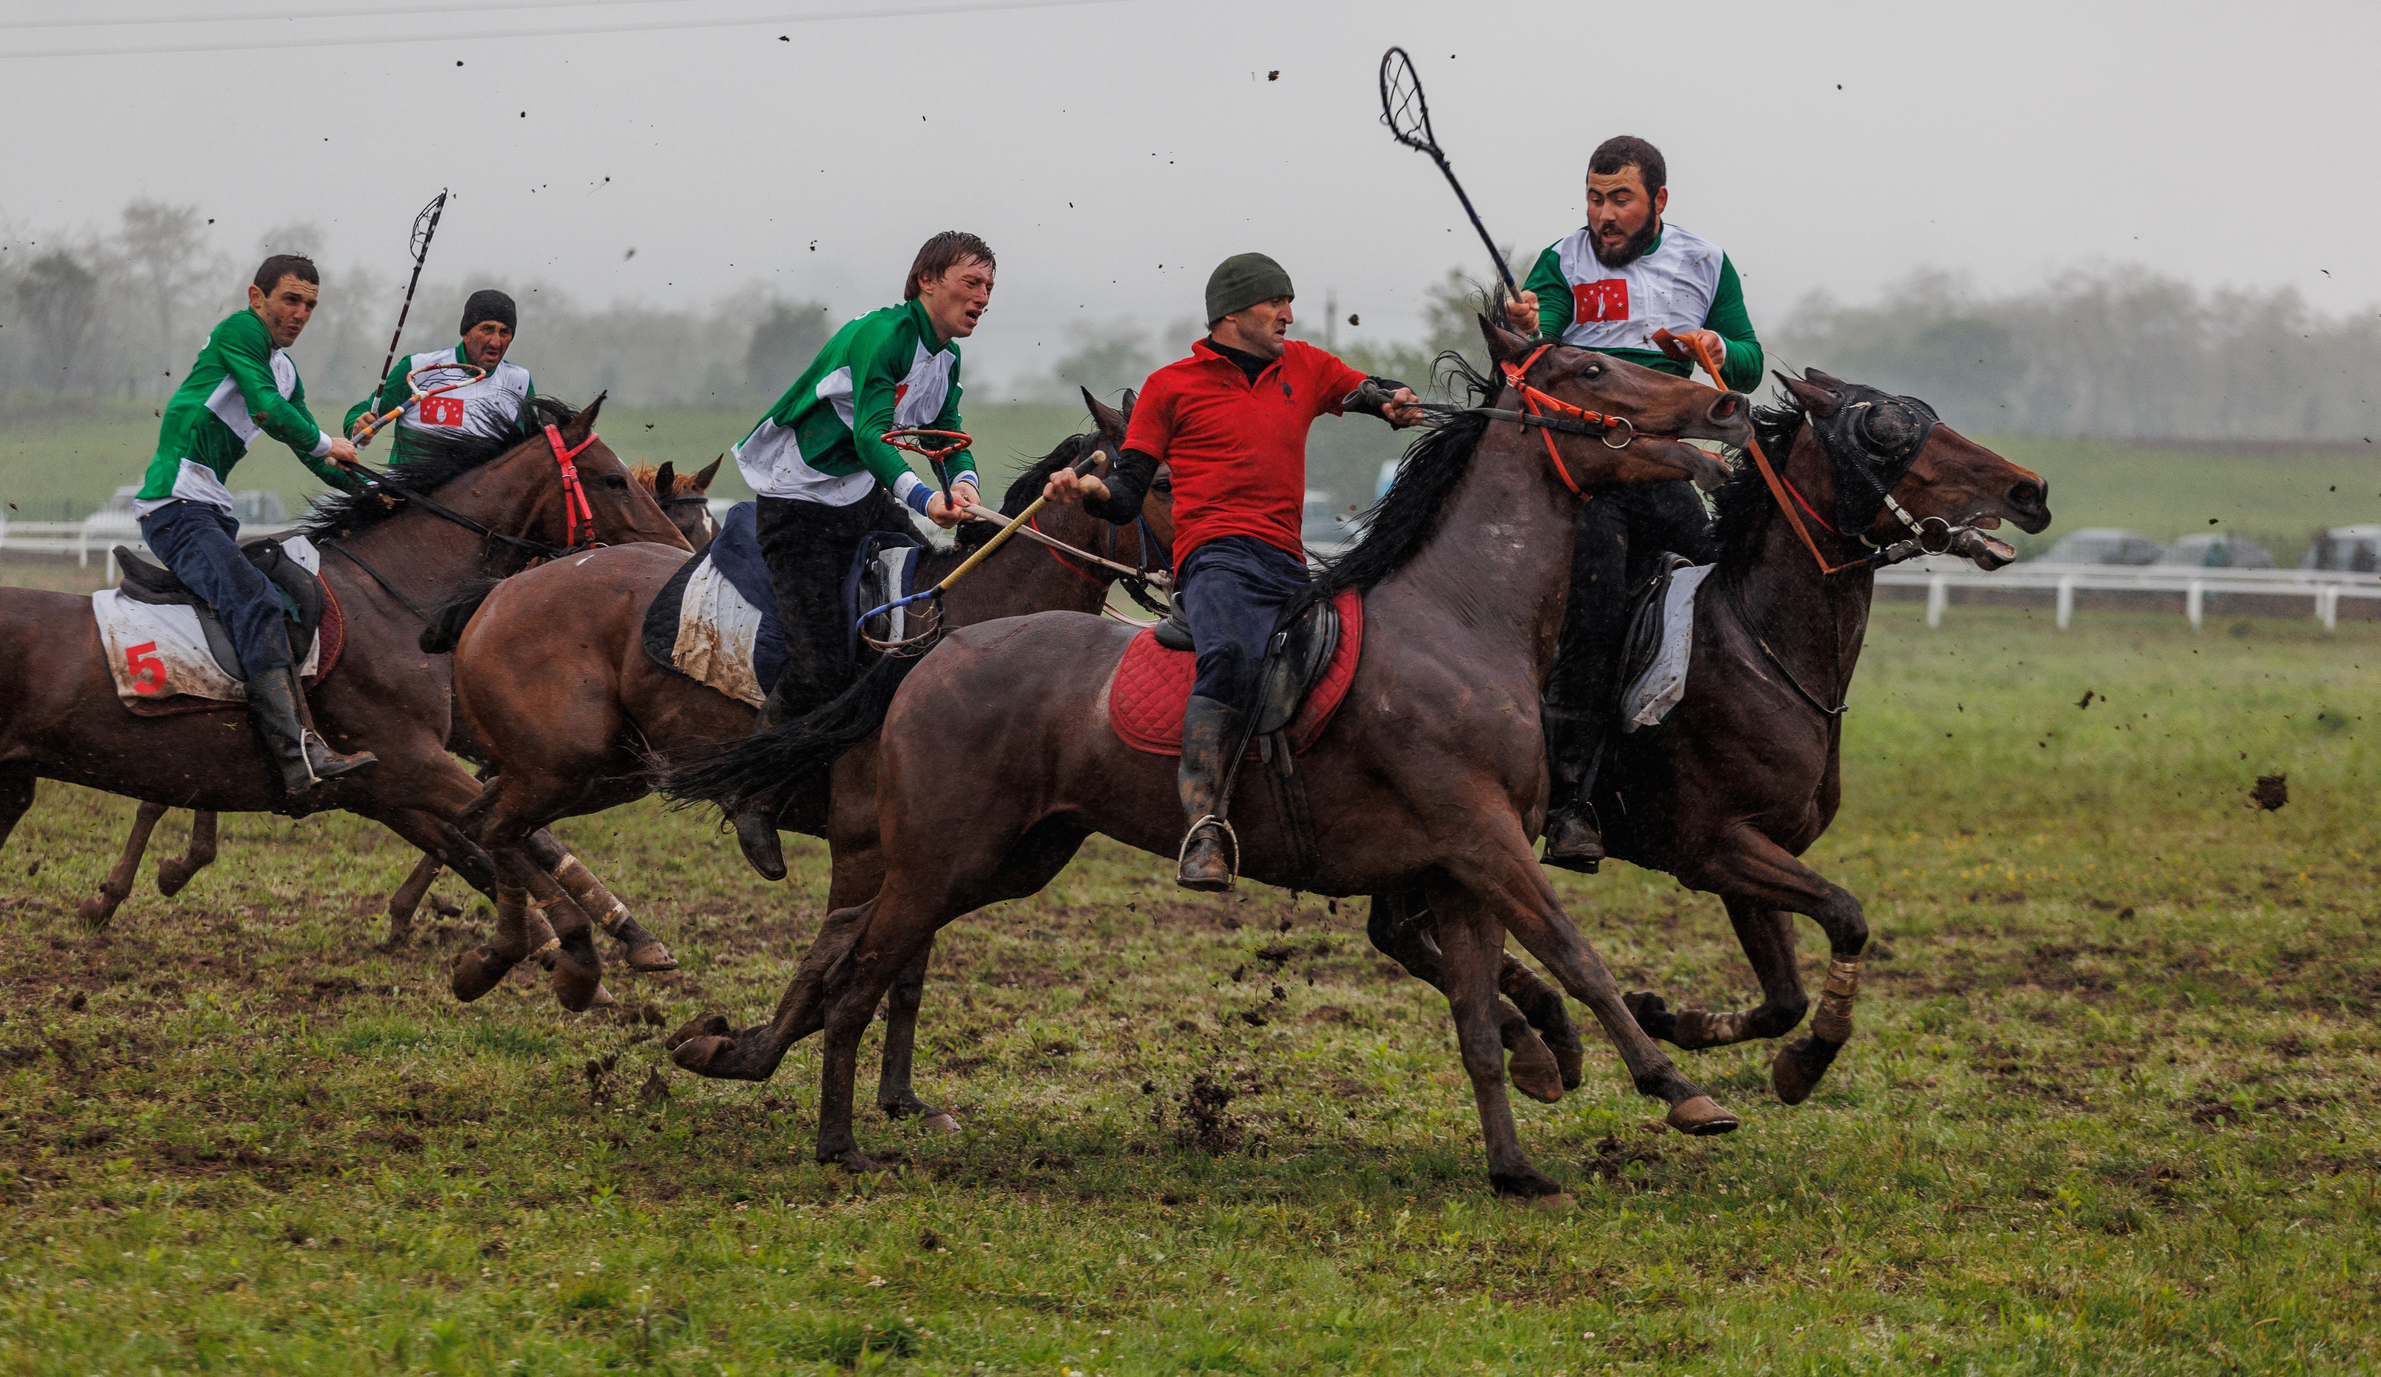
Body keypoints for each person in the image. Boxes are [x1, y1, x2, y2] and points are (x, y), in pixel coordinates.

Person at [1047, 253, 1420, 892]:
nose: (1289, 315)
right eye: (1276, 304)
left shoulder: (1304, 365)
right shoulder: (1169, 386)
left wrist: (1390, 400)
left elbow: (1360, 387)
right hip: (1213, 558)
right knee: (1231, 656)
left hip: (1286, 560)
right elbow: (1132, 491)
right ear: (1232, 314)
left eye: (1290, 304)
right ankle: (1204, 826)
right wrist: (1089, 490)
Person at [1503, 134, 1763, 870]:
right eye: (1594, 197)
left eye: (1619, 199)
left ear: (1659, 200)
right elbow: (1538, 333)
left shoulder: (1705, 261)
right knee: (1595, 617)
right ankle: (1573, 805)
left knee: (1725, 600)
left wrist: (1710, 341)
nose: (1603, 215)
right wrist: (1529, 323)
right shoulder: (1563, 259)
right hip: (1592, 480)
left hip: (1669, 471)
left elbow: (1748, 357)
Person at [724, 231, 993, 878]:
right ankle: (751, 793)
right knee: (818, 666)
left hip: (860, 499)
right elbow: (873, 435)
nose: (982, 297)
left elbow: (948, 437)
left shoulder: (947, 359)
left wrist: (964, 483)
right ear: (926, 281)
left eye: (989, 287)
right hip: (798, 507)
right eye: (971, 282)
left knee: (927, 609)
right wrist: (925, 499)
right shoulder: (884, 337)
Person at [134, 254, 376, 799]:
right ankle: (297, 760)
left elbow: (314, 454)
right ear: (256, 297)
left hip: (211, 509)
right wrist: (325, 442)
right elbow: (268, 412)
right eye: (291, 300)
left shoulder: (286, 371)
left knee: (288, 595)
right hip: (174, 502)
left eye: (310, 305)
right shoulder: (239, 332)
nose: (301, 313)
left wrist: (374, 494)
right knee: (256, 602)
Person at [346, 288, 536, 464]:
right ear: (466, 333)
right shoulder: (417, 369)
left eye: (505, 332)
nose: (496, 342)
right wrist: (358, 425)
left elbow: (527, 453)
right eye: (487, 329)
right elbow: (362, 412)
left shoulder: (520, 382)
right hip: (408, 495)